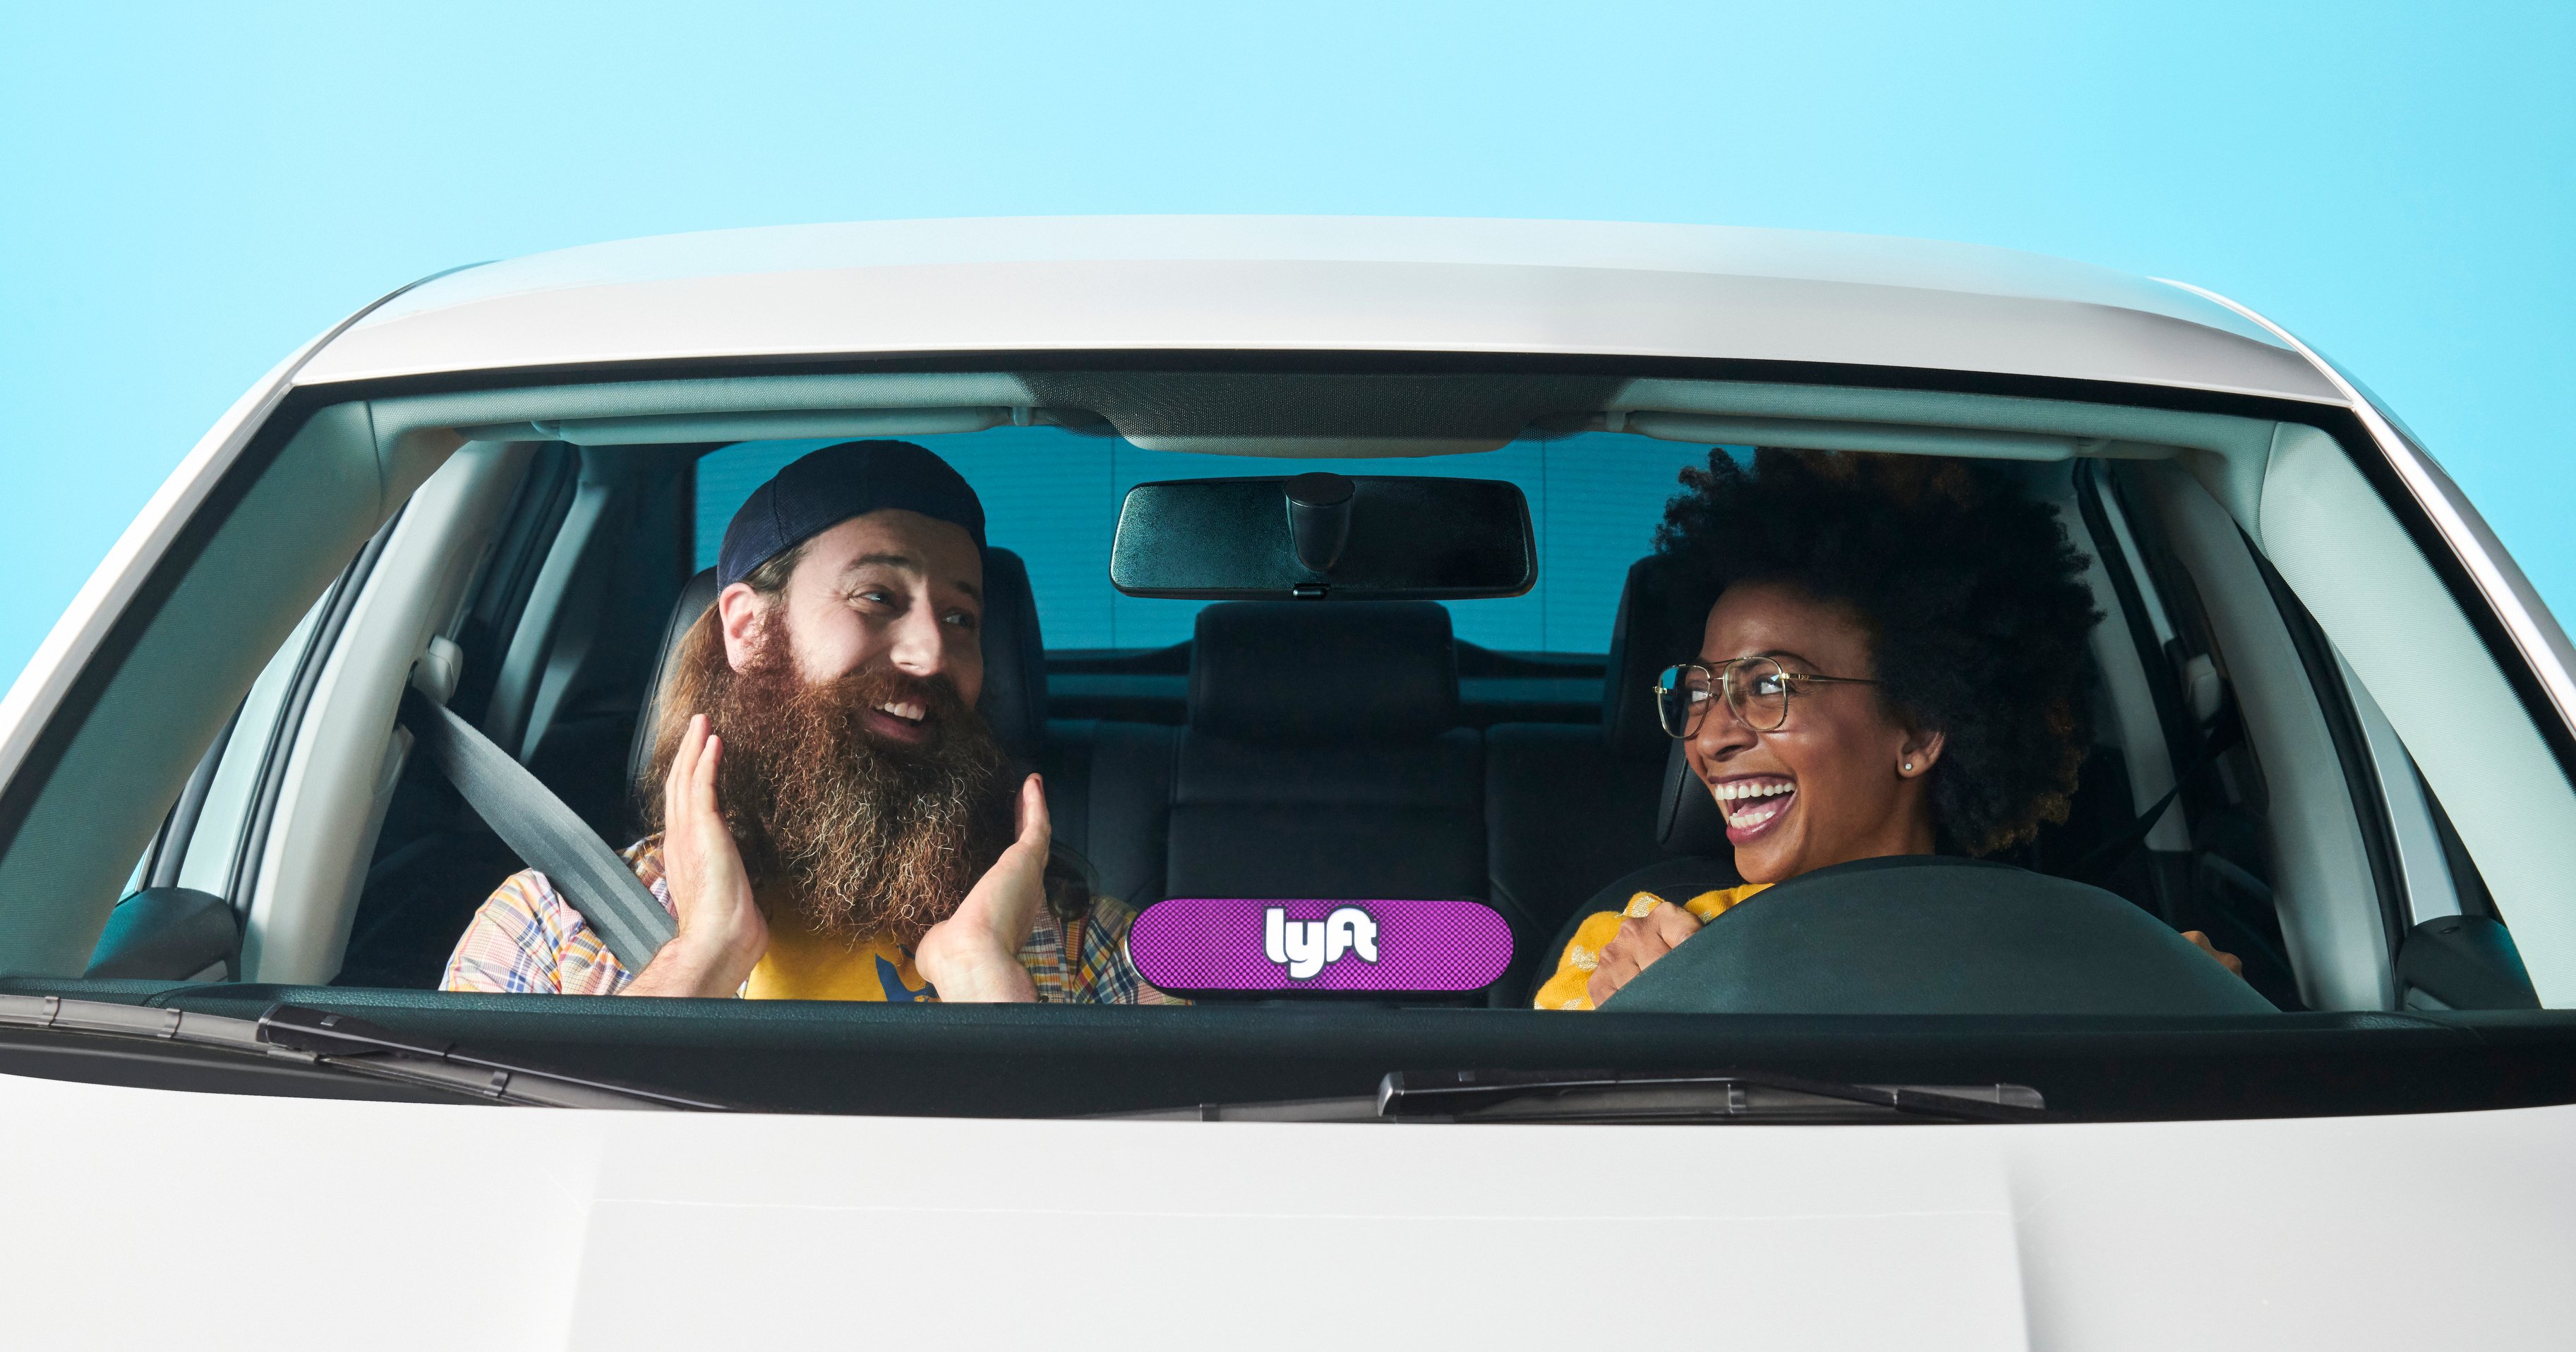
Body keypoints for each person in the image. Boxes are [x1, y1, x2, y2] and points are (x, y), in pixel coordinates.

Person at [442, 440, 1170, 1003]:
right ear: (749, 628)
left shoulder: (1098, 948)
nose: (930, 653)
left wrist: (984, 977)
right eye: (877, 597)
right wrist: (701, 958)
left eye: (960, 618)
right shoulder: (545, 928)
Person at [1534, 448, 2240, 1010]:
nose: (1710, 738)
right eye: (1699, 691)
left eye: (1768, 685)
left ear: (1919, 730)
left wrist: (2195, 1003)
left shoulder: (2096, 957)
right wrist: (1625, 1016)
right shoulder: (1640, 948)